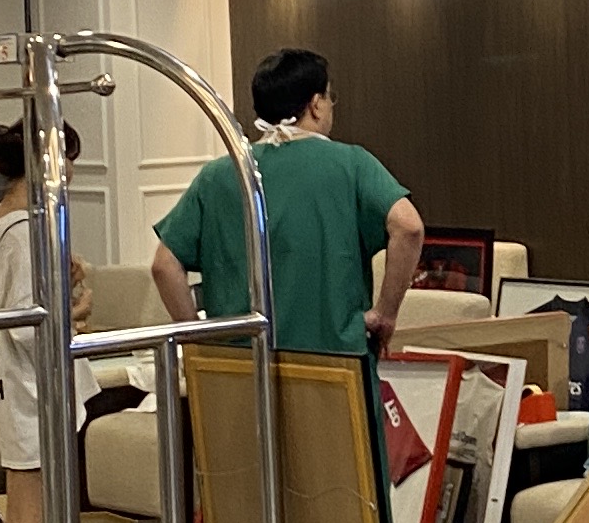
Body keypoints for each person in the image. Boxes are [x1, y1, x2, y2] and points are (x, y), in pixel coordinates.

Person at [152, 49, 422, 361]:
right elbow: (409, 227)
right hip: (332, 360)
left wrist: (197, 342)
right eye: (330, 98)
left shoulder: (220, 175)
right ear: (316, 105)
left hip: (235, 365)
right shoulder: (352, 165)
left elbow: (164, 265)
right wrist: (385, 314)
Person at [0, 116, 89, 523]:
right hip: (34, 392)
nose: (72, 172)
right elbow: (27, 325)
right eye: (68, 159)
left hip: (15, 386)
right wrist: (74, 313)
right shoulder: (24, 231)